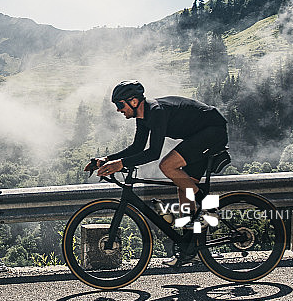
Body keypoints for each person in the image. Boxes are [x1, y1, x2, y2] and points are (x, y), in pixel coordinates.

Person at [85, 80, 228, 267]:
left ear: (134, 101)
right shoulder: (143, 118)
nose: (118, 110)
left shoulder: (156, 112)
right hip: (198, 136)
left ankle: (209, 208)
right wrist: (106, 159)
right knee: (184, 190)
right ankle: (190, 248)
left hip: (212, 130)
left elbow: (153, 153)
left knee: (167, 166)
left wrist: (120, 164)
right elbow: (137, 147)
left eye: (120, 105)